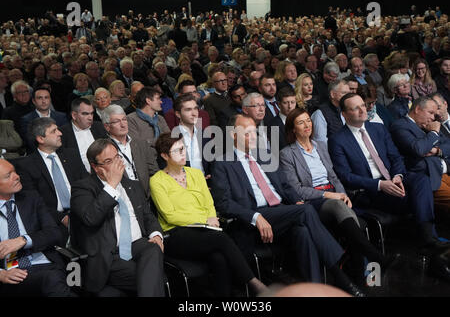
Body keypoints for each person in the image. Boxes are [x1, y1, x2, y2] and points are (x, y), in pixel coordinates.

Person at [210, 114, 365, 296]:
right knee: (306, 210)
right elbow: (223, 203)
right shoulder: (222, 163)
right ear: (233, 135)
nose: (253, 136)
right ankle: (340, 270)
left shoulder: (265, 155)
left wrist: (295, 202)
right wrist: (256, 217)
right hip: (254, 218)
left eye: (254, 131)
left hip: (282, 211)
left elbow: (285, 186)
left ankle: (314, 290)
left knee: (304, 232)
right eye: (247, 132)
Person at [280, 107, 397, 280]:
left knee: (350, 217)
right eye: (300, 122)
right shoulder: (287, 154)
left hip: (336, 198)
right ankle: (375, 258)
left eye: (308, 120)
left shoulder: (320, 146)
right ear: (292, 129)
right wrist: (331, 196)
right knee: (340, 208)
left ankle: (359, 270)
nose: (307, 125)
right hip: (313, 203)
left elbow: (334, 177)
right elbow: (297, 189)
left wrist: (343, 194)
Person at [150, 133, 267, 296]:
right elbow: (171, 216)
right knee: (220, 239)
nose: (183, 153)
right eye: (177, 151)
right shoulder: (157, 180)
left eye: (183, 148)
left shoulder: (196, 174)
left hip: (204, 230)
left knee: (218, 257)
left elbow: (209, 203)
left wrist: (212, 219)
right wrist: (204, 219)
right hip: (176, 234)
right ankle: (254, 282)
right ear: (164, 156)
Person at [328, 93, 448, 253]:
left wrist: (398, 176)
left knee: (421, 180)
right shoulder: (337, 139)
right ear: (344, 114)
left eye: (363, 105)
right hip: (371, 190)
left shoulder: (378, 128)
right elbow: (346, 176)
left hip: (393, 180)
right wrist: (380, 185)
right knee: (419, 197)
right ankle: (429, 239)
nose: (362, 110)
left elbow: (396, 158)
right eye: (355, 108)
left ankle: (428, 239)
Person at [70, 138, 165, 296]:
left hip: (138, 245)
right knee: (151, 277)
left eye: (117, 157)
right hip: (109, 254)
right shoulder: (82, 188)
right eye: (108, 161)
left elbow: (148, 216)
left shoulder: (132, 185)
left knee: (153, 248)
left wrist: (156, 234)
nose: (116, 164)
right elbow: (90, 218)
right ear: (95, 167)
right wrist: (111, 186)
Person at [0, 159, 73, 297]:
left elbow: (54, 233)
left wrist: (23, 240)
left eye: (14, 171)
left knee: (53, 279)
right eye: (8, 175)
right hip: (9, 273)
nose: (17, 176)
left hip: (44, 265)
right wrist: (1, 274)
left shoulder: (30, 198)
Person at [15, 117, 88, 244]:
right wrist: (61, 218)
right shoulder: (27, 165)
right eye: (54, 131)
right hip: (53, 219)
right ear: (40, 139)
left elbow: (87, 182)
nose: (60, 133)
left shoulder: (71, 155)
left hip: (82, 211)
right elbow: (33, 201)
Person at [390, 96, 450, 213]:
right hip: (427, 177)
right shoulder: (400, 125)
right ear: (417, 109)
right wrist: (433, 133)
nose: (433, 118)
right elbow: (418, 149)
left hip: (441, 171)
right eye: (431, 113)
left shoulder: (427, 125)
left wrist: (436, 150)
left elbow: (448, 144)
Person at [103, 104, 158, 198]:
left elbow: (154, 171)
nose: (123, 124)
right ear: (107, 127)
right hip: (123, 199)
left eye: (124, 119)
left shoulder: (141, 144)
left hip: (147, 197)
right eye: (117, 121)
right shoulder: (104, 150)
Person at [60, 97, 108, 172]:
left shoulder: (98, 127)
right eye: (85, 114)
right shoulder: (63, 133)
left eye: (92, 113)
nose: (90, 118)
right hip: (80, 177)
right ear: (74, 115)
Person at [19, 87, 68, 151]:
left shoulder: (61, 116)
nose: (43, 101)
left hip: (60, 152)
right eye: (40, 98)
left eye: (46, 97)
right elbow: (30, 142)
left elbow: (65, 138)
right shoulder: (27, 119)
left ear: (50, 100)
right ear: (33, 101)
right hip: (38, 155)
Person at [311, 80, 350, 146]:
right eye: (344, 93)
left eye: (348, 94)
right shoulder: (320, 113)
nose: (348, 97)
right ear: (332, 94)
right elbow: (321, 143)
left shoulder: (346, 109)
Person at [267, 87, 297, 151]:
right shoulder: (272, 125)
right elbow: (275, 152)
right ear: (279, 104)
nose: (290, 106)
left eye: (292, 102)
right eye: (285, 103)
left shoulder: (301, 119)